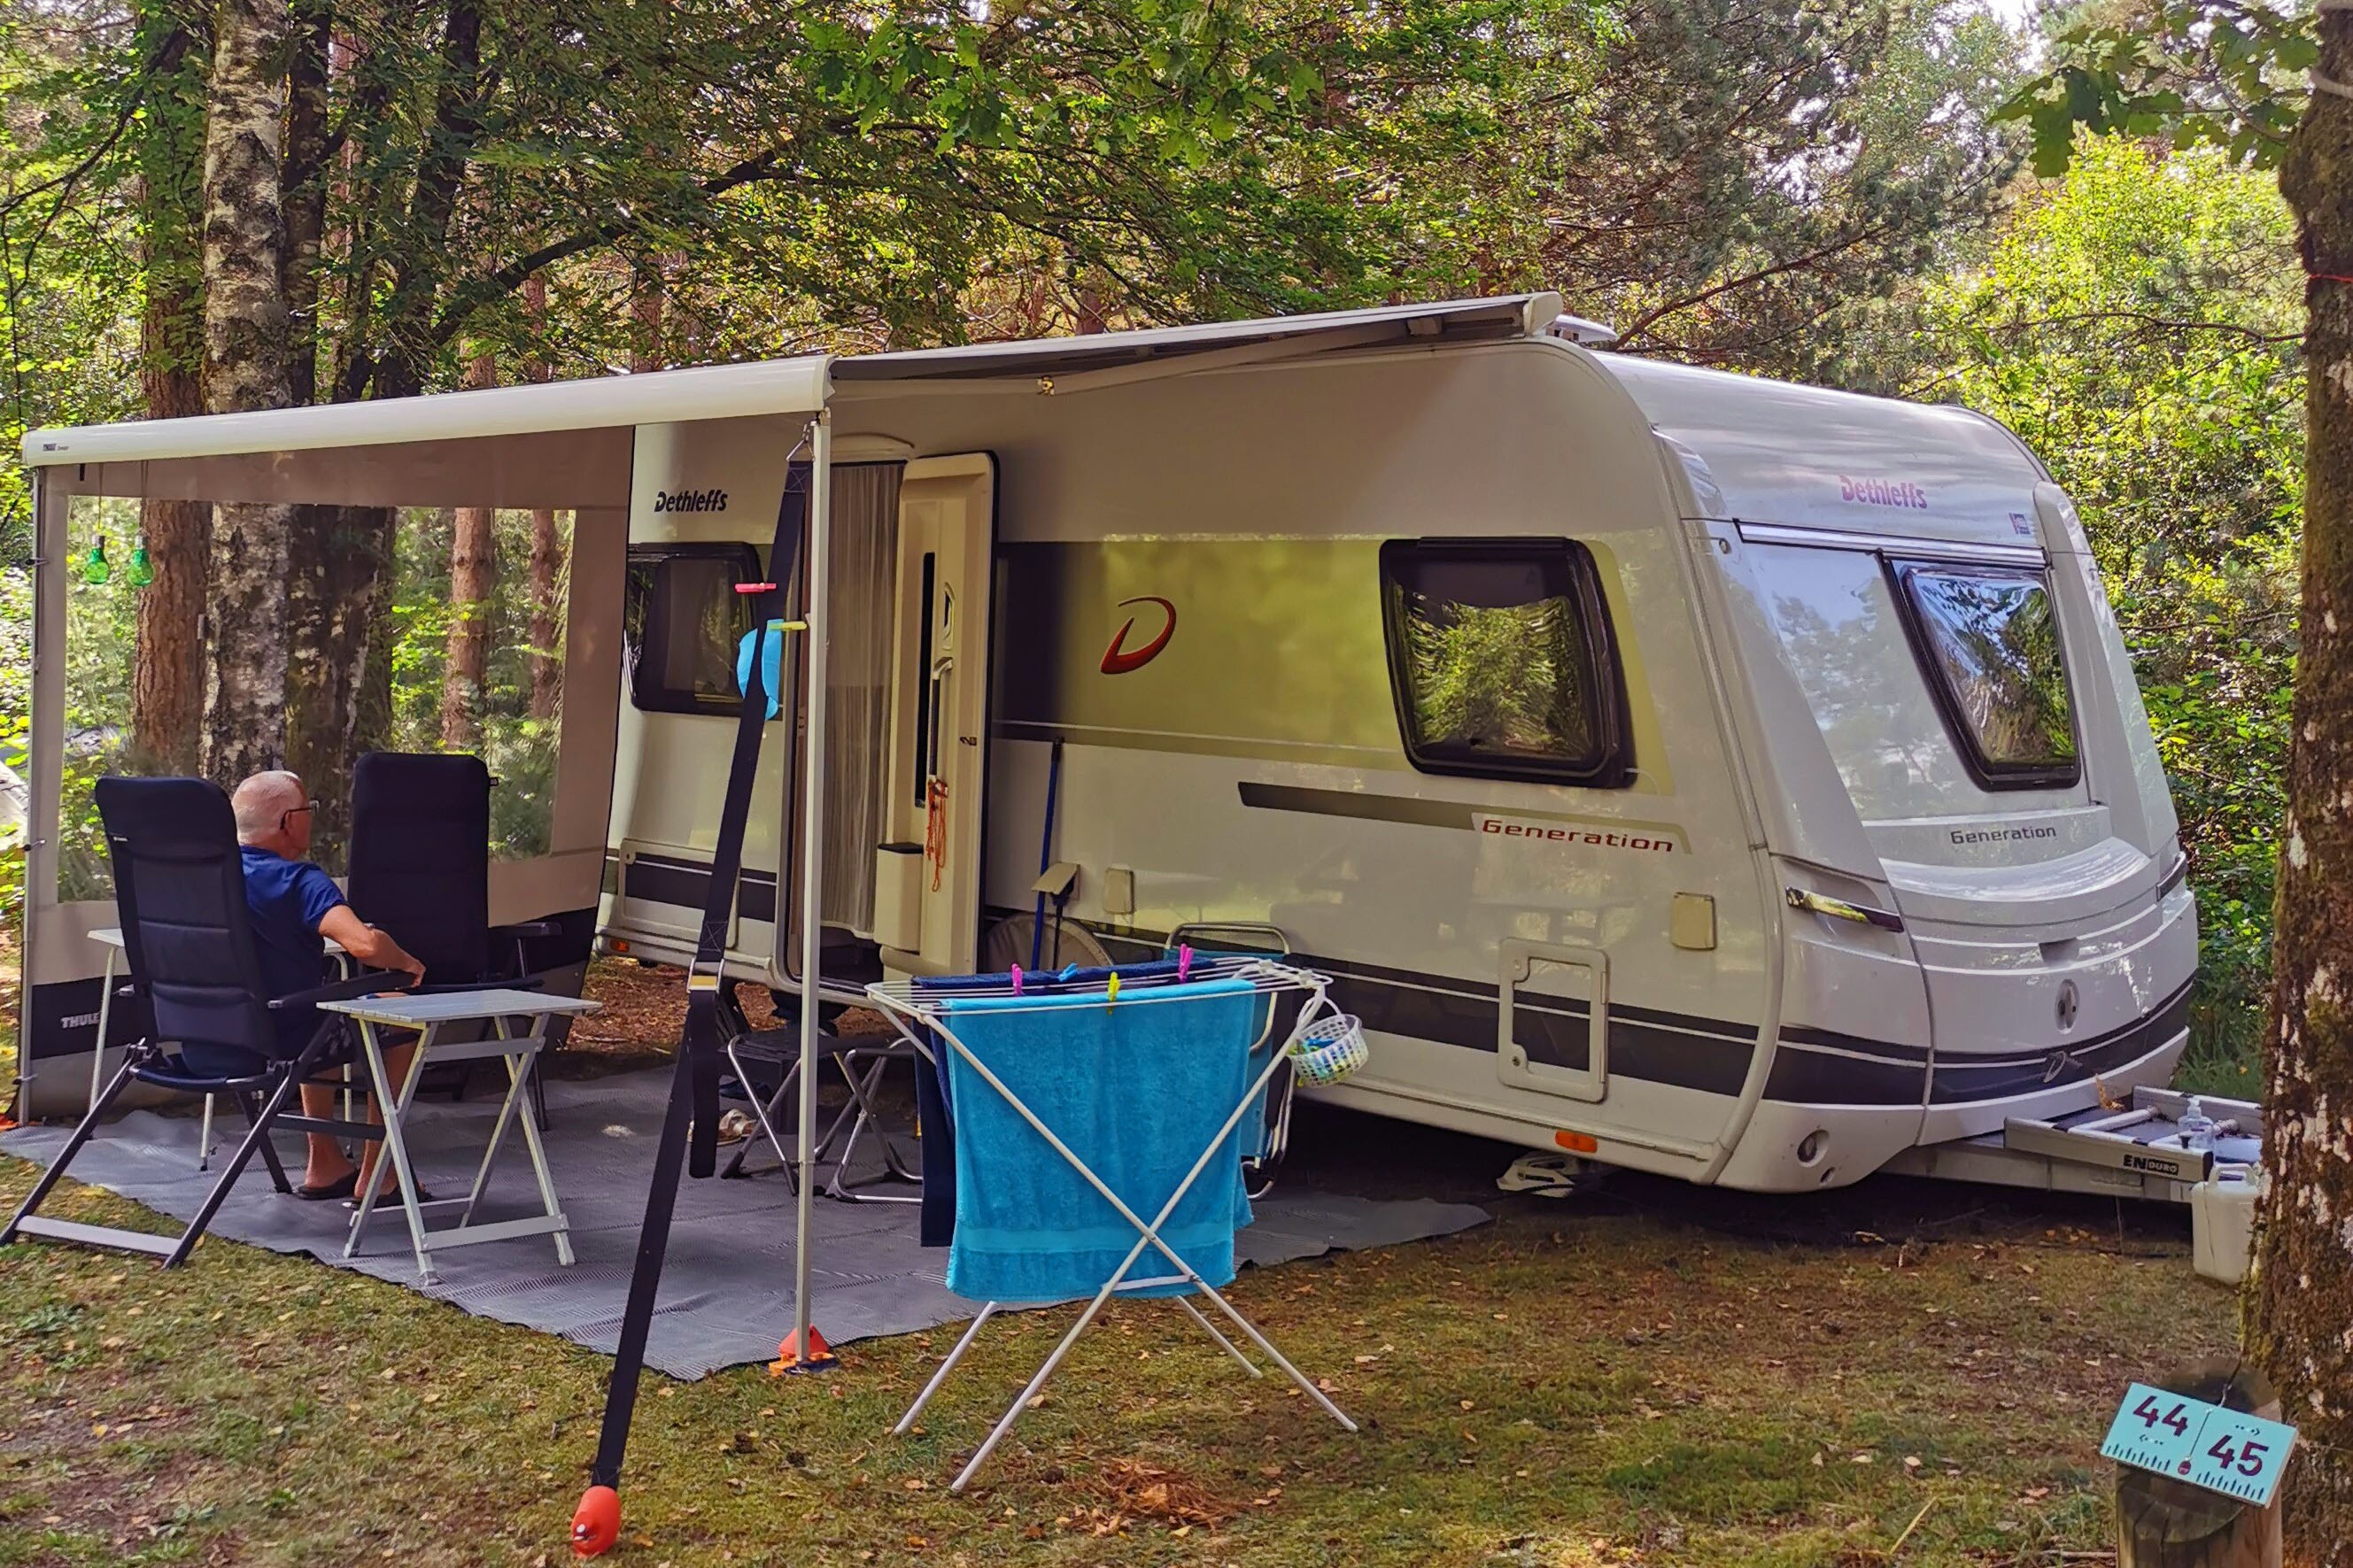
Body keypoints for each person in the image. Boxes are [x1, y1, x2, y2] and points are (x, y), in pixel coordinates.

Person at [230, 769, 427, 1201]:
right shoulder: (299, 881)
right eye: (307, 810)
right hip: (286, 1034)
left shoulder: (205, 877)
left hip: (214, 1036)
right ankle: (379, 1171)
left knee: (317, 1006)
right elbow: (364, 945)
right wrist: (405, 960)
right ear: (288, 823)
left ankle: (325, 1164)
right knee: (400, 1016)